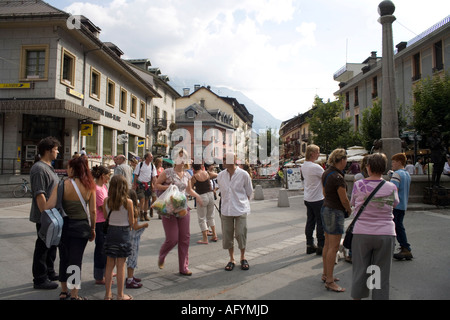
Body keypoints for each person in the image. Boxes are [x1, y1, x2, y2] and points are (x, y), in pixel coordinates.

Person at [46, 156, 96, 300]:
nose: (67, 170)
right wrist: (92, 229)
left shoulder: (62, 185)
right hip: (81, 227)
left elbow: (49, 206)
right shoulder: (89, 186)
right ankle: (74, 294)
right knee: (76, 260)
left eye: (69, 167)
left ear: (73, 169)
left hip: (65, 226)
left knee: (64, 258)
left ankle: (63, 291)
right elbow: (92, 211)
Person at [350, 153, 399, 300]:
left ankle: (358, 297)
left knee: (360, 269)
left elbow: (353, 203)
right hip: (385, 233)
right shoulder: (391, 187)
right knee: (381, 271)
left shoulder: (359, 185)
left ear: (368, 167)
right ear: (384, 168)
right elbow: (395, 204)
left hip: (361, 233)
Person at [155, 149, 203, 276]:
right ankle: (162, 255)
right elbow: (156, 185)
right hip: (169, 209)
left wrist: (198, 196)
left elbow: (189, 190)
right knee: (172, 239)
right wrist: (169, 187)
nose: (182, 160)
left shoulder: (187, 174)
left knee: (185, 238)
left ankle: (183, 267)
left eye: (184, 158)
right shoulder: (168, 172)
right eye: (179, 157)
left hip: (183, 208)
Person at [29, 137, 61, 290]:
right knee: (42, 247)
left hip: (53, 215)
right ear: (48, 150)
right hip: (46, 217)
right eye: (56, 149)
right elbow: (40, 195)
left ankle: (49, 271)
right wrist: (46, 217)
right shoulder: (39, 169)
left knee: (51, 246)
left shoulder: (48, 167)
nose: (58, 151)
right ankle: (40, 279)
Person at [321, 148, 351, 292]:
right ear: (342, 160)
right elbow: (344, 199)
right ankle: (330, 281)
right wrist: (349, 209)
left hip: (326, 208)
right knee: (333, 247)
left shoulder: (326, 173)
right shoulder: (338, 177)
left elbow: (324, 192)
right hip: (335, 211)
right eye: (346, 159)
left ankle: (326, 274)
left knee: (327, 245)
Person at [216, 153, 253, 272]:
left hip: (240, 208)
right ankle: (231, 259)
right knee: (227, 235)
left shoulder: (243, 174)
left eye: (226, 159)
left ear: (234, 160)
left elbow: (249, 191)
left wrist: (242, 202)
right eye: (224, 158)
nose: (224, 161)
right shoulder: (221, 175)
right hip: (226, 209)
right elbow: (219, 190)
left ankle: (243, 257)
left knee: (241, 233)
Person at [103, 174, 134, 300]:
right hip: (123, 232)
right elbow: (131, 221)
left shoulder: (107, 200)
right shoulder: (128, 202)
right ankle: (120, 295)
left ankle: (107, 294)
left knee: (109, 264)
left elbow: (106, 217)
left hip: (111, 231)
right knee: (121, 265)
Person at [300, 144, 325, 255]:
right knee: (320, 222)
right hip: (318, 198)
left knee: (310, 221)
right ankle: (321, 245)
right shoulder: (316, 167)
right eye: (317, 152)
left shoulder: (303, 166)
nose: (318, 154)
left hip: (308, 197)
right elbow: (326, 178)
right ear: (312, 153)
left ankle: (309, 244)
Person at [389, 153, 413, 261]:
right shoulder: (406, 174)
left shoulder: (397, 175)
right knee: (399, 226)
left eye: (393, 162)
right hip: (403, 205)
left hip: (396, 205)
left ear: (399, 162)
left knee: (395, 227)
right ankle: (404, 247)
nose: (392, 164)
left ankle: (404, 247)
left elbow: (393, 191)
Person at [91, 165, 111, 285]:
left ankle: (105, 271)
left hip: (105, 221)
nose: (109, 178)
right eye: (108, 175)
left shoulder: (103, 186)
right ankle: (99, 276)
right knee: (101, 250)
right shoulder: (97, 189)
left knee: (106, 249)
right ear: (102, 176)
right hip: (100, 222)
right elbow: (103, 207)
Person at [126, 189, 149, 289]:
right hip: (133, 238)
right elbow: (135, 226)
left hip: (127, 236)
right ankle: (130, 279)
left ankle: (130, 276)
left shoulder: (125, 208)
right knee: (132, 258)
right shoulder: (133, 209)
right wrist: (144, 225)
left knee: (130, 258)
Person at [191, 163, 218, 244]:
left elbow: (191, 189)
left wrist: (196, 188)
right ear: (201, 166)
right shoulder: (206, 173)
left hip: (201, 196)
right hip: (210, 195)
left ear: (193, 168)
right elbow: (217, 175)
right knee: (211, 216)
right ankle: (214, 235)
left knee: (202, 218)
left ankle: (205, 238)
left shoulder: (194, 177)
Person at [134, 153, 157, 221]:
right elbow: (136, 175)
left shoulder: (152, 166)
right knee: (142, 199)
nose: (152, 158)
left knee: (147, 200)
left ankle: (145, 214)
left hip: (148, 185)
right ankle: (141, 214)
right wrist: (134, 185)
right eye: (151, 157)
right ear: (147, 158)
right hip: (140, 185)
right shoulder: (140, 165)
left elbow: (154, 176)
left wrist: (153, 185)